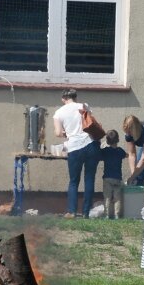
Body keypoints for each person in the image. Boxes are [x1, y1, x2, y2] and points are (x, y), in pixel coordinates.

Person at [53, 89, 101, 218]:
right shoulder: (84, 106)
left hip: (74, 148)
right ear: (75, 97)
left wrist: (66, 132)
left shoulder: (58, 113)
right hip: (91, 144)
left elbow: (58, 133)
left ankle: (72, 211)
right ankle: (86, 213)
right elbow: (91, 123)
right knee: (89, 178)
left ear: (63, 99)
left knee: (74, 181)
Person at [100, 130, 126, 219]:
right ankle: (117, 215)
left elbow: (99, 154)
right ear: (118, 140)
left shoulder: (105, 151)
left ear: (107, 141)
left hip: (107, 178)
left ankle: (106, 215)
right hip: (117, 178)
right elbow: (126, 155)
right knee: (117, 198)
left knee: (107, 197)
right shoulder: (120, 151)